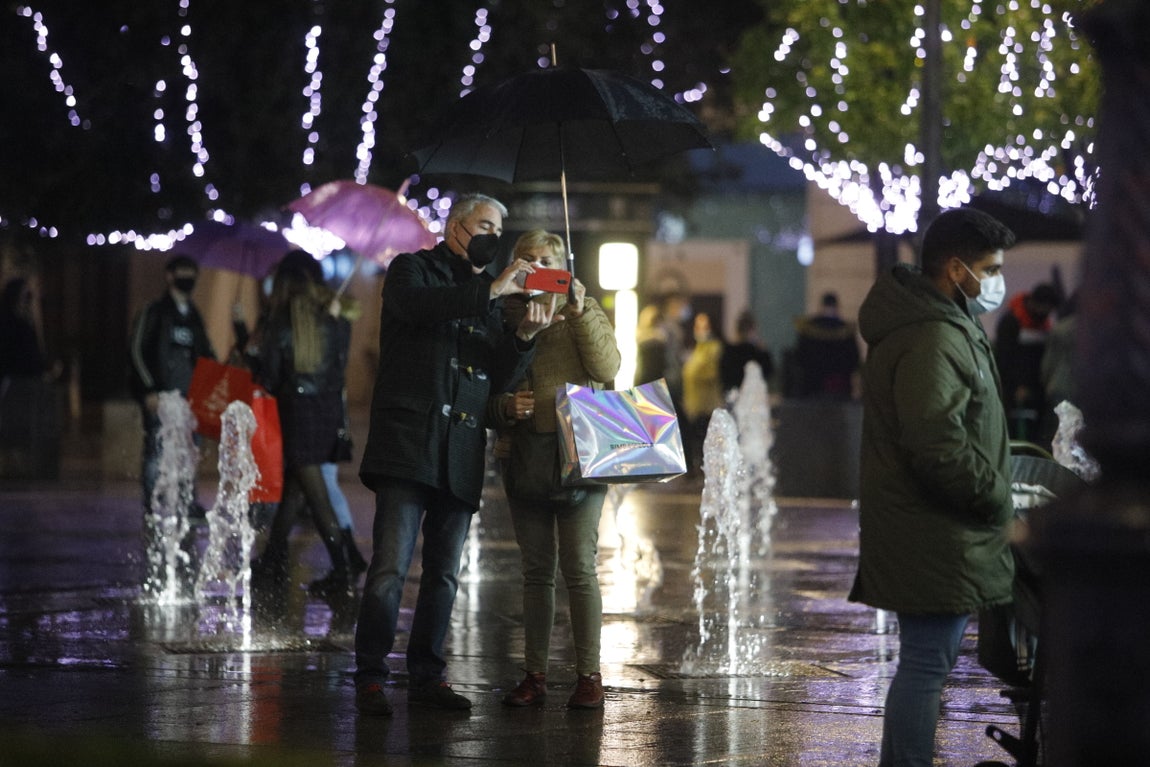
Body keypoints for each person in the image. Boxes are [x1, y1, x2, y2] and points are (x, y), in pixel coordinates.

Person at [354, 194, 557, 716]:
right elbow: (420, 309)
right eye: (485, 224)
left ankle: (426, 676)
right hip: (407, 447)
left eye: (499, 227)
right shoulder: (411, 270)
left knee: (444, 574)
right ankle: (372, 677)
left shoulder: (489, 300)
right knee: (389, 569)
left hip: (459, 453)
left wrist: (526, 336)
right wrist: (491, 289)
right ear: (455, 227)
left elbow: (497, 375)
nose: (492, 235)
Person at [850, 207, 1017, 767]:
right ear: (955, 269)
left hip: (929, 529)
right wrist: (997, 499)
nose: (996, 281)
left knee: (923, 663)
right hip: (934, 531)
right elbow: (937, 446)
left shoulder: (936, 327)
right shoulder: (931, 338)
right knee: (925, 665)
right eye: (989, 269)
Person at [490, 229, 621, 710]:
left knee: (580, 570)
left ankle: (589, 676)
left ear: (562, 263)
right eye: (528, 259)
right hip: (523, 456)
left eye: (547, 259)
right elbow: (486, 386)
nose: (537, 266)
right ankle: (535, 675)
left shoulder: (581, 310)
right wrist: (506, 407)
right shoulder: (503, 315)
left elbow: (608, 365)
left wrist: (580, 311)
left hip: (582, 454)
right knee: (535, 572)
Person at [248, 252, 356, 599]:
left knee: (316, 497)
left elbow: (270, 375)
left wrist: (252, 357)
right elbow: (339, 369)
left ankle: (343, 569)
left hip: (296, 412)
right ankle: (271, 562)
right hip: (325, 410)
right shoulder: (334, 318)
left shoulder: (281, 320)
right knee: (295, 491)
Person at [128, 254, 216, 525]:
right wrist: (149, 389)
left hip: (191, 398)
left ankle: (186, 502)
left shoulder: (194, 315)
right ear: (170, 275)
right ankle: (154, 504)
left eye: (192, 272)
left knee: (190, 450)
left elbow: (205, 353)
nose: (188, 278)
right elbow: (136, 351)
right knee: (157, 450)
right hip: (162, 395)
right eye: (183, 272)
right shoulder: (153, 311)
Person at [994, 282, 1061, 442]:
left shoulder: (1045, 324)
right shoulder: (1011, 321)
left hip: (1038, 389)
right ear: (1034, 302)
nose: (1045, 313)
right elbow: (1004, 357)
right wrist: (1017, 386)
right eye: (1044, 308)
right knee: (1017, 432)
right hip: (1015, 390)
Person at [793, 291, 860, 400]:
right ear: (836, 306)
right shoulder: (845, 329)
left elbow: (800, 356)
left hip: (812, 385)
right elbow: (854, 359)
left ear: (822, 306)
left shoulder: (809, 328)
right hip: (840, 386)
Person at [681, 311, 724, 476]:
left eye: (704, 326)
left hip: (708, 406)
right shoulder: (698, 349)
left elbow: (710, 374)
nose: (700, 330)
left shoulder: (713, 348)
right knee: (696, 444)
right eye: (697, 326)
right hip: (693, 406)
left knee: (705, 444)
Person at [720, 308, 774, 392]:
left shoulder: (729, 350)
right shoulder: (755, 351)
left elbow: (724, 376)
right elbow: (768, 371)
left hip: (734, 392)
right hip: (750, 393)